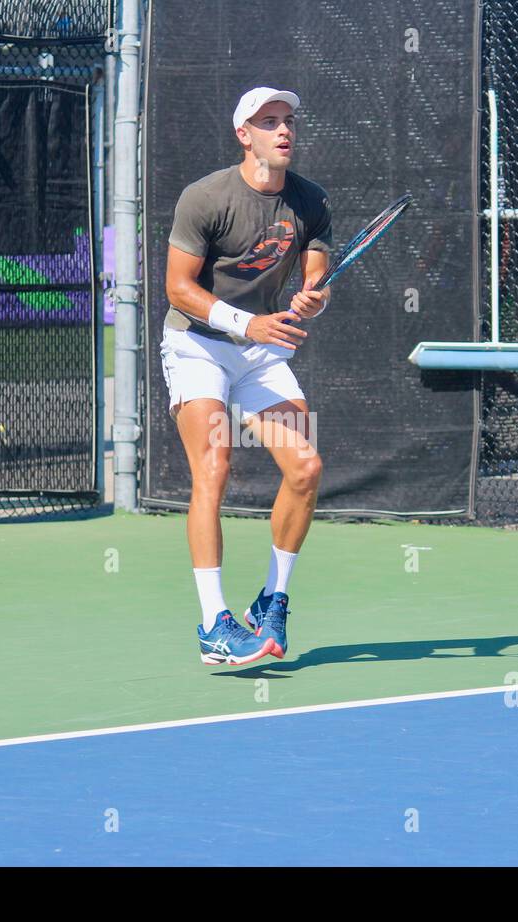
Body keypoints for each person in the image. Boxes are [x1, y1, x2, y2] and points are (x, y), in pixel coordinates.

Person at [161, 87, 333, 665]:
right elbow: (178, 289)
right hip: (199, 345)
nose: (283, 130)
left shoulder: (310, 201)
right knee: (215, 465)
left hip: (259, 354)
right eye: (269, 121)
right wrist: (247, 323)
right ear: (245, 134)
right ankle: (214, 623)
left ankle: (272, 600)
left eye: (288, 120)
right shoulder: (205, 198)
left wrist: (313, 300)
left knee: (305, 468)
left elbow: (316, 278)